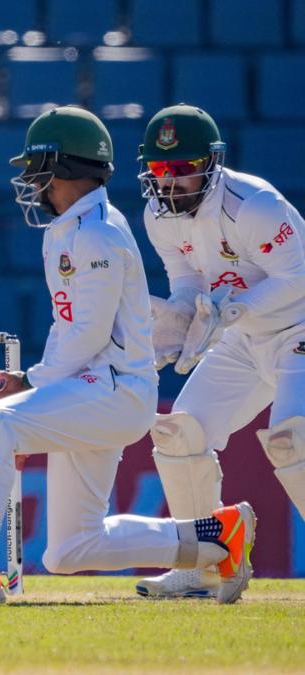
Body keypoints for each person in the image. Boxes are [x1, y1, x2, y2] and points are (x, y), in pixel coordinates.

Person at [0, 106, 255, 605]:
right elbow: (69, 328)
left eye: (36, 167)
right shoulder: (71, 230)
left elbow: (86, 337)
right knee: (69, 549)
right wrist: (35, 391)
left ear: (63, 169)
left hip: (115, 391)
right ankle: (218, 537)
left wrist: (29, 386)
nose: (30, 180)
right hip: (93, 389)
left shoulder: (96, 236)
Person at [135, 104, 305, 599]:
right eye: (161, 171)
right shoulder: (158, 215)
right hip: (243, 339)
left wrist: (234, 308)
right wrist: (181, 314)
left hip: (297, 328)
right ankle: (206, 565)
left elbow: (298, 275)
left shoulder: (255, 205)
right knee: (177, 433)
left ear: (211, 163)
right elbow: (187, 278)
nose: (170, 183)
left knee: (293, 440)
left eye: (183, 170)